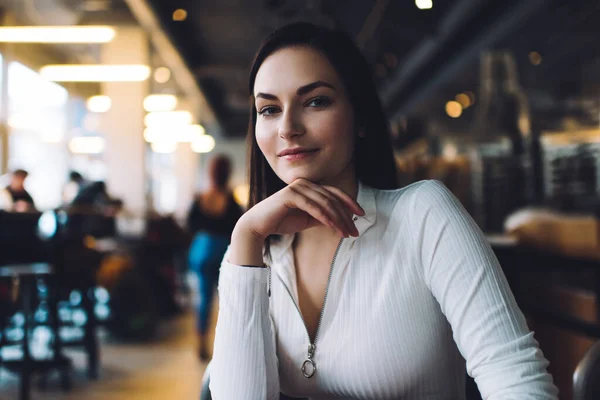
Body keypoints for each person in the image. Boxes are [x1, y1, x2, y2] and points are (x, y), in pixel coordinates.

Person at [209, 22, 558, 399]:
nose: (288, 128)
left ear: (359, 117)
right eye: (269, 109)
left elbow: (519, 383)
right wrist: (246, 237)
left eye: (316, 101)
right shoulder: (254, 252)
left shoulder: (423, 215)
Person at [187, 154, 243, 360]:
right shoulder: (231, 200)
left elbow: (190, 225)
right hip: (222, 251)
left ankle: (201, 341)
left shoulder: (200, 198)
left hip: (201, 250)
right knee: (227, 299)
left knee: (203, 298)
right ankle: (225, 343)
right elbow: (237, 227)